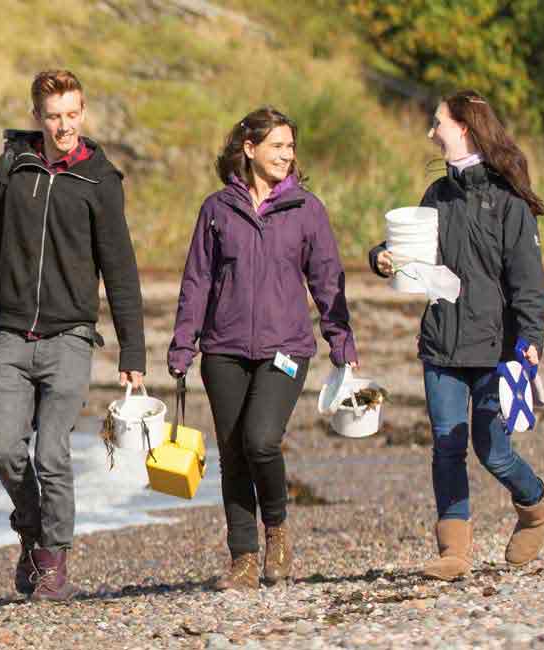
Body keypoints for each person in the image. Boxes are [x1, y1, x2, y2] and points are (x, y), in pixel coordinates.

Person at [0, 69, 146, 601]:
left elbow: (119, 269)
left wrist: (134, 349)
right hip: (9, 337)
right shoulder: (13, 166)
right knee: (5, 449)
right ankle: (32, 532)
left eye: (73, 114)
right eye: (53, 116)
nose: (64, 126)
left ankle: (53, 559)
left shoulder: (100, 180)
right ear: (37, 116)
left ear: (83, 112)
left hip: (72, 338)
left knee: (52, 453)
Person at [167, 107, 358, 590]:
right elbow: (198, 281)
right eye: (277, 145)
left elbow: (327, 279)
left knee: (260, 440)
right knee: (232, 453)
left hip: (287, 347)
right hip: (224, 348)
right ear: (249, 149)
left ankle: (277, 529)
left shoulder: (307, 210)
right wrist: (182, 341)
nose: (286, 155)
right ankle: (243, 559)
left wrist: (341, 341)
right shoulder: (216, 209)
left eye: (290, 147)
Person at [369, 90, 544, 581]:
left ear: (465, 129)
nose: (432, 132)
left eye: (438, 123)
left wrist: (530, 343)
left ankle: (535, 505)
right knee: (446, 447)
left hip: (497, 350)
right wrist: (382, 258)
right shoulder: (436, 196)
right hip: (441, 345)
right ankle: (454, 550)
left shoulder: (509, 203)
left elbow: (529, 286)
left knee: (492, 451)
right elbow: (410, 256)